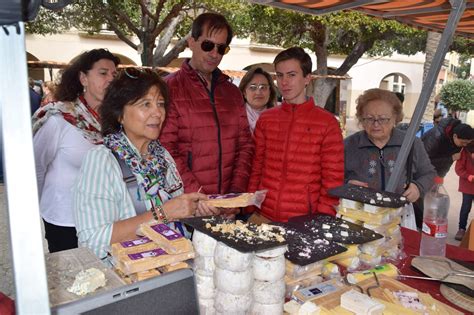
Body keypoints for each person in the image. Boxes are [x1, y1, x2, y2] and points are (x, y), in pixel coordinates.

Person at [74, 68, 207, 259]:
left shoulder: (162, 156)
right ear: (119, 114)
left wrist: (193, 209)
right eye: (146, 104)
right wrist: (163, 213)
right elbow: (93, 240)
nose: (158, 113)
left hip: (173, 267)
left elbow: (175, 214)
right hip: (131, 280)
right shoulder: (102, 161)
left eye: (160, 104)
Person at [160, 13, 254, 216]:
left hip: (227, 208)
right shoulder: (169, 88)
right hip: (187, 206)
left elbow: (245, 145)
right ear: (191, 42)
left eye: (222, 48)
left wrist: (234, 196)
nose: (214, 53)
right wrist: (201, 197)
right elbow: (166, 148)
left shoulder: (232, 93)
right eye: (208, 45)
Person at [33, 49, 119, 253]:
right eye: (103, 73)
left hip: (102, 217)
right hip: (64, 219)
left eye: (114, 75)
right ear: (83, 78)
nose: (110, 80)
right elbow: (36, 167)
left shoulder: (115, 121)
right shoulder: (59, 118)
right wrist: (35, 208)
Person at [247, 47, 344, 222]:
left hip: (304, 221)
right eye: (280, 75)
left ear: (307, 78)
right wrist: (250, 206)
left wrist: (322, 219)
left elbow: (333, 180)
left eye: (292, 75)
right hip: (263, 216)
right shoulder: (266, 119)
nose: (284, 82)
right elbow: (257, 167)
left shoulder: (327, 123)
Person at [344, 88, 436, 201]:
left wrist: (418, 187)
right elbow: (332, 179)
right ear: (361, 119)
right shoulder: (348, 145)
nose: (376, 124)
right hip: (361, 213)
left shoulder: (411, 143)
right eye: (369, 118)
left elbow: (429, 174)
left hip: (399, 213)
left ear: (395, 119)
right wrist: (347, 184)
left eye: (383, 119)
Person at [238, 67, 277, 134]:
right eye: (253, 87)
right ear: (244, 92)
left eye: (263, 87)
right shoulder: (235, 117)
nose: (258, 92)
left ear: (270, 91)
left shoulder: (279, 117)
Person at [454, 144, 474, 241]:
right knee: (466, 208)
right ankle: (461, 229)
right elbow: (458, 169)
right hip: (467, 186)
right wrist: (468, 176)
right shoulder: (465, 152)